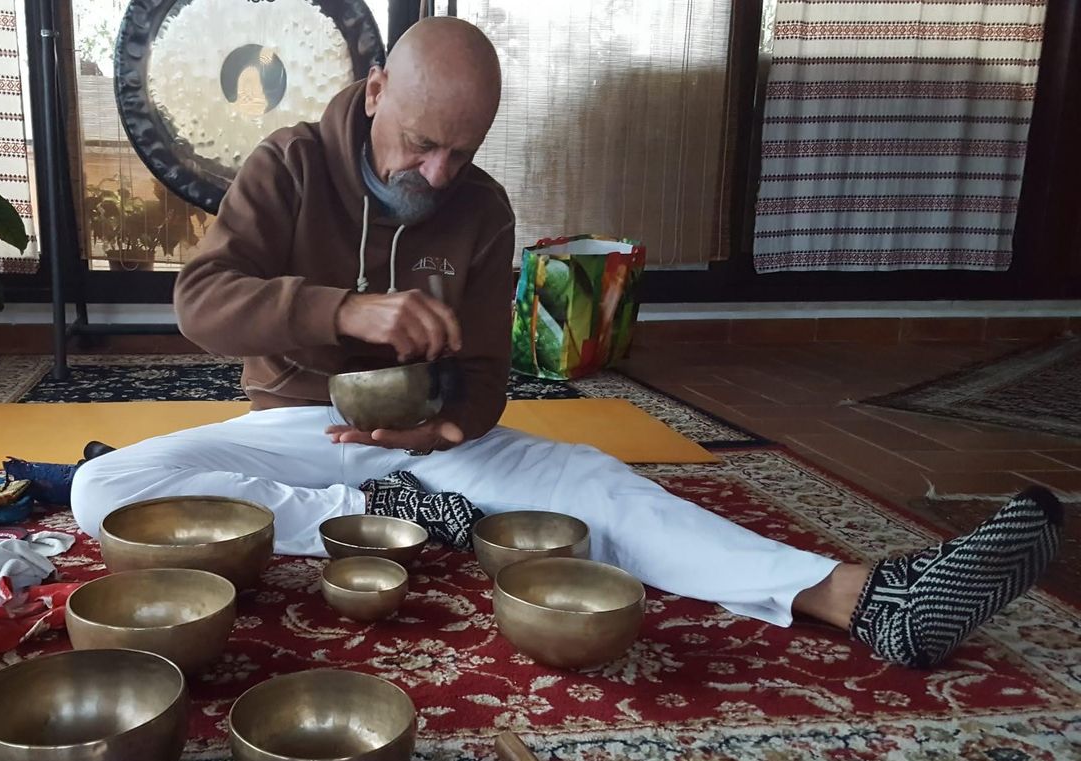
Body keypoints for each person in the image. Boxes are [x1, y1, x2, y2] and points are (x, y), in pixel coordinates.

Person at [71, 18, 1061, 669]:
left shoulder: (482, 208)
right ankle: (372, 510)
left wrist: (447, 424)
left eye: (463, 149)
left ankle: (868, 599)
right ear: (374, 90)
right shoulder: (288, 165)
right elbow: (202, 301)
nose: (439, 168)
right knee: (100, 488)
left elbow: (491, 379)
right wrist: (344, 312)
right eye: (423, 141)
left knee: (601, 482)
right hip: (294, 430)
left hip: (432, 448)